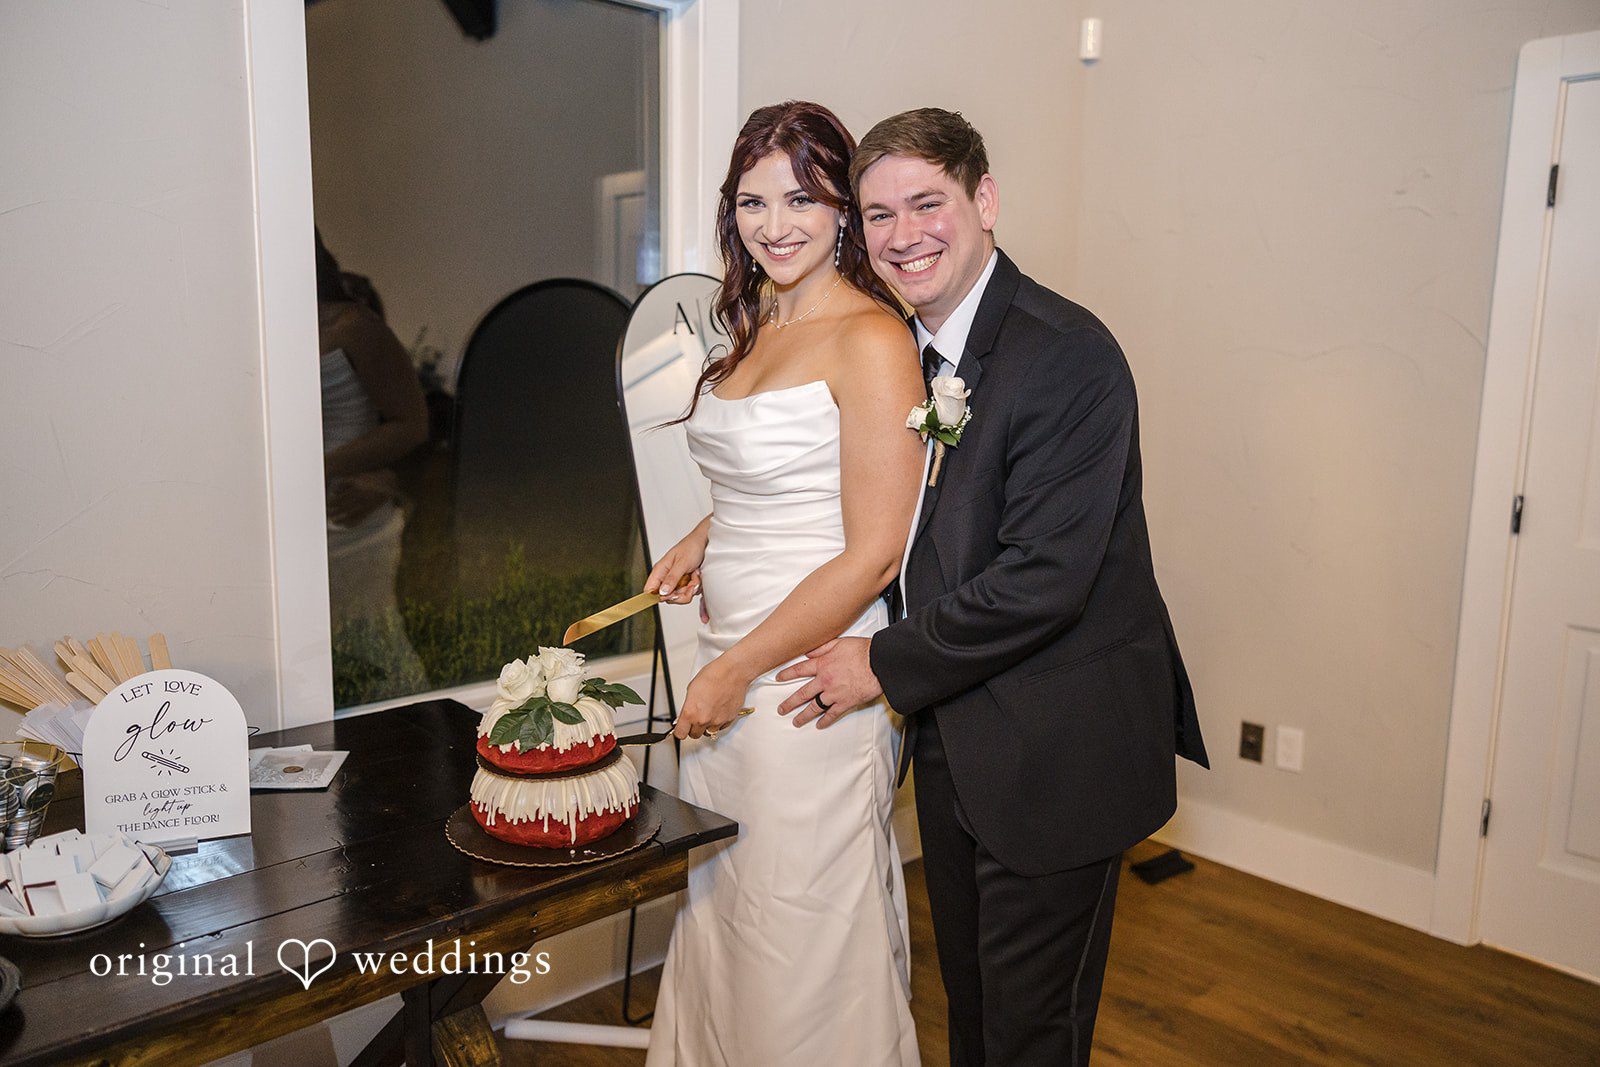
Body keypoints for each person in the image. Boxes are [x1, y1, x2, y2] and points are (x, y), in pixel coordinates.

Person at [777, 108, 1210, 1066]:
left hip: (1062, 748)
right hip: (959, 738)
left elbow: (1045, 579)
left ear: (985, 201)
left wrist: (879, 664)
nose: (904, 235)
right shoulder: (903, 347)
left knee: (1028, 1036)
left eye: (927, 203)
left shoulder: (1067, 355)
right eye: (878, 215)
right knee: (971, 1011)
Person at [642, 101, 925, 1066]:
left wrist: (736, 673)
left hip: (806, 672)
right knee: (732, 915)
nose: (776, 223)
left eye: (802, 197)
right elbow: (792, 470)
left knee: (801, 933)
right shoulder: (758, 321)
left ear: (844, 207)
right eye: (754, 201)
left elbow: (874, 548)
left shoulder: (873, 340)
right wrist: (704, 530)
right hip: (729, 654)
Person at [315, 229, 429, 694]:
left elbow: (412, 423)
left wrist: (315, 470)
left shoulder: (354, 327)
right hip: (288, 528)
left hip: (349, 521)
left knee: (376, 653)